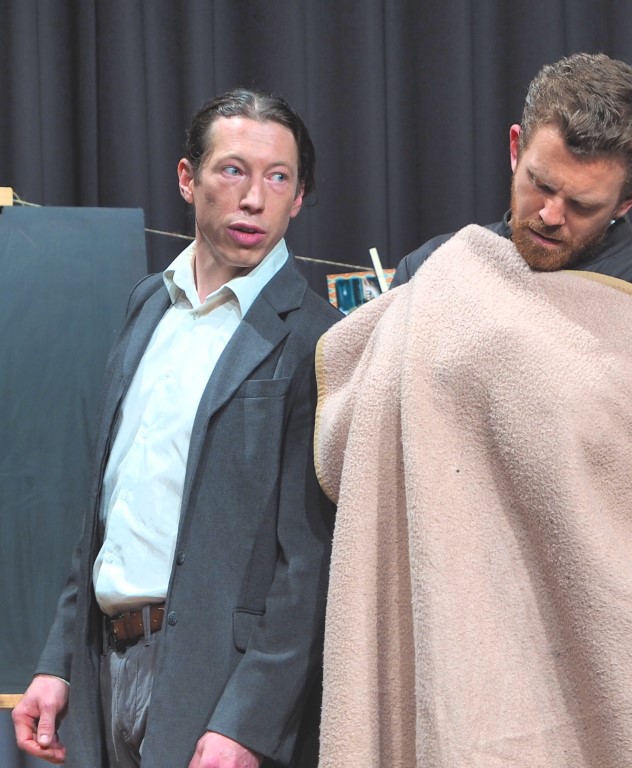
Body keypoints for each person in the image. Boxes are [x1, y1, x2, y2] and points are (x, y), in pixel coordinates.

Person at [12, 88, 340, 768]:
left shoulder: (318, 338)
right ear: (188, 178)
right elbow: (107, 509)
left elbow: (310, 564)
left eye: (279, 178)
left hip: (216, 687)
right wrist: (58, 660)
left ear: (299, 197)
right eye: (233, 170)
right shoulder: (148, 305)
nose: (254, 198)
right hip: (104, 667)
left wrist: (248, 723)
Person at [390, 52, 632, 318]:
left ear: (629, 199)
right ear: (515, 149)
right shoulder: (432, 264)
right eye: (542, 185)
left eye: (582, 205)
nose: (550, 216)